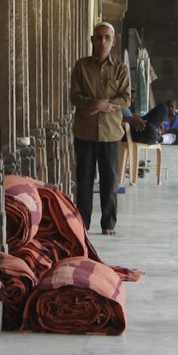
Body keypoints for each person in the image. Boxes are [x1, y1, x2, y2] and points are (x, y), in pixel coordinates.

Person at [70, 22, 131, 235]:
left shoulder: (121, 69)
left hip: (111, 133)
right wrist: (97, 105)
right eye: (99, 37)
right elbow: (74, 96)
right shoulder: (81, 66)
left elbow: (126, 98)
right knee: (84, 178)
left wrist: (100, 107)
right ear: (92, 39)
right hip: (85, 131)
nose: (102, 41)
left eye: (107, 37)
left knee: (109, 179)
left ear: (113, 41)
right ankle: (82, 223)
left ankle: (108, 223)